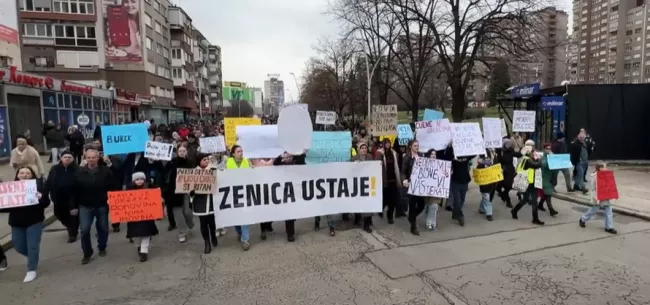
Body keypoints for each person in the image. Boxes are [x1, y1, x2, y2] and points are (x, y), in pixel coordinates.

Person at [0, 166, 49, 282]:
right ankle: (33, 257)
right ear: (17, 175)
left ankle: (31, 269)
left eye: (28, 173)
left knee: (32, 246)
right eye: (22, 173)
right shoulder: (10, 188)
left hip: (34, 221)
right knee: (18, 246)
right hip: (17, 222)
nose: (24, 175)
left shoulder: (38, 186)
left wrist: (41, 198)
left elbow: (46, 203)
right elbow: (3, 208)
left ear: (32, 175)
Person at [72, 149, 118, 265]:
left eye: (93, 157)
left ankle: (102, 247)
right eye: (89, 158)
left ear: (98, 158)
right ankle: (87, 253)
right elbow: (73, 191)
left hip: (102, 204)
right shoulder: (79, 172)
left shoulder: (106, 171)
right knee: (84, 230)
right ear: (85, 159)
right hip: (85, 206)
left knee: (103, 228)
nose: (91, 160)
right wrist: (73, 206)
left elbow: (113, 186)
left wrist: (112, 201)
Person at [269, 152, 307, 241]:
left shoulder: (297, 160)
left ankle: (290, 233)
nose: (288, 157)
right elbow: (275, 163)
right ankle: (268, 224)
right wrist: (282, 157)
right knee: (283, 211)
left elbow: (302, 159)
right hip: (283, 190)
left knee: (291, 212)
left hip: (295, 189)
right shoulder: (281, 161)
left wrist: (295, 154)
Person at [47, 151, 80, 243]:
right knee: (60, 215)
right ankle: (69, 226)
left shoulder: (77, 169)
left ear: (73, 159)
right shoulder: (55, 169)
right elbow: (49, 181)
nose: (67, 158)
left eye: (69, 157)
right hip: (58, 198)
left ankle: (72, 233)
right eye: (65, 157)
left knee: (73, 216)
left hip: (73, 198)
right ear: (61, 158)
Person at [126, 172, 159, 262]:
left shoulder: (150, 186)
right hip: (134, 218)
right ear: (133, 181)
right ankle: (139, 246)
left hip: (147, 217)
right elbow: (122, 201)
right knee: (136, 236)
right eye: (137, 179)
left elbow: (157, 196)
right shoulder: (129, 189)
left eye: (141, 179)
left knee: (146, 233)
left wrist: (160, 197)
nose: (140, 181)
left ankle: (144, 251)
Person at [190, 154, 219, 254]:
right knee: (203, 223)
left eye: (207, 159)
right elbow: (187, 187)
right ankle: (207, 243)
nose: (206, 161)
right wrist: (191, 192)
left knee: (212, 222)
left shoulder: (213, 170)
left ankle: (213, 236)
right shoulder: (193, 172)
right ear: (199, 161)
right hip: (200, 202)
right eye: (204, 159)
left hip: (211, 200)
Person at [166, 146, 196, 241]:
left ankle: (190, 223)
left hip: (187, 190)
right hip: (174, 192)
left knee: (187, 212)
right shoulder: (172, 162)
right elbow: (165, 173)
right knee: (178, 213)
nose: (182, 152)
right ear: (177, 152)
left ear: (186, 152)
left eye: (184, 150)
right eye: (180, 151)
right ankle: (182, 233)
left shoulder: (191, 162)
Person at [225, 145, 252, 250]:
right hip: (232, 193)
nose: (241, 153)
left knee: (244, 216)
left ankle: (245, 239)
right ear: (233, 154)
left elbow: (251, 174)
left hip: (244, 192)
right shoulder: (227, 162)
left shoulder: (246, 161)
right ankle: (239, 232)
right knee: (235, 216)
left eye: (242, 151)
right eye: (238, 151)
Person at [510, 146, 545, 225]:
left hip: (529, 183)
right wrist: (539, 159)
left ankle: (514, 211)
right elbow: (536, 165)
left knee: (527, 199)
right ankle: (534, 218)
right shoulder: (527, 160)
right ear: (529, 152)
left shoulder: (525, 158)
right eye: (533, 152)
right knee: (532, 201)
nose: (534, 153)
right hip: (528, 183)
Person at [579, 162, 617, 234]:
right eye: (604, 167)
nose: (606, 168)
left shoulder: (606, 175)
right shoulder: (594, 175)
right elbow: (594, 187)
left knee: (609, 211)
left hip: (606, 195)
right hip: (598, 196)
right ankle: (583, 219)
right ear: (600, 168)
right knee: (594, 210)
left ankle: (609, 227)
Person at [401, 140, 425, 235]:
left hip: (420, 185)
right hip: (411, 185)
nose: (417, 147)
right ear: (410, 146)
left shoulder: (421, 155)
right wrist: (404, 180)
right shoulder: (407, 158)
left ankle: (411, 217)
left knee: (421, 205)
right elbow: (403, 171)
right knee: (412, 205)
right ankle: (413, 227)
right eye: (415, 146)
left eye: (418, 146)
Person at [351, 142, 375, 233]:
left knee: (368, 205)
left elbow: (374, 167)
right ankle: (357, 217)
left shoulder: (370, 157)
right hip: (358, 185)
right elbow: (349, 171)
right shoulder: (354, 159)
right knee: (358, 204)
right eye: (362, 148)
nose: (364, 149)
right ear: (358, 150)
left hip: (369, 184)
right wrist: (354, 166)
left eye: (365, 148)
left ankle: (366, 225)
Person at [376, 138, 401, 224]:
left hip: (393, 180)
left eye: (388, 143)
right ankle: (380, 210)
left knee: (393, 200)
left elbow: (398, 163)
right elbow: (376, 163)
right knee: (384, 199)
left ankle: (390, 216)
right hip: (384, 180)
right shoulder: (380, 153)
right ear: (383, 144)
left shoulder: (393, 153)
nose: (387, 145)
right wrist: (381, 155)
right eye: (386, 143)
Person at [422, 149, 443, 231]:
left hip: (436, 190)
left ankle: (431, 223)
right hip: (427, 190)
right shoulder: (424, 164)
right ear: (428, 155)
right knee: (429, 206)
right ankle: (429, 221)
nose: (433, 156)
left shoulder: (440, 164)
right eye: (431, 154)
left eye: (434, 154)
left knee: (434, 206)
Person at [497, 139, 521, 208]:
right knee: (498, 187)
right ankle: (503, 196)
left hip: (510, 171)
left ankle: (508, 200)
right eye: (507, 144)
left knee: (509, 186)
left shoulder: (511, 151)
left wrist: (523, 151)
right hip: (503, 171)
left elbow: (518, 155)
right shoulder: (500, 152)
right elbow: (498, 162)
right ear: (504, 145)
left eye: (510, 144)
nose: (509, 146)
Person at [537, 143, 559, 216]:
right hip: (544, 178)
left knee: (546, 194)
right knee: (548, 194)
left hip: (550, 178)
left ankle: (540, 205)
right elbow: (545, 164)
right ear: (544, 149)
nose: (549, 150)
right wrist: (552, 157)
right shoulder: (543, 158)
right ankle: (551, 210)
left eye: (550, 148)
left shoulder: (551, 156)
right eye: (547, 148)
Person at [477, 149, 498, 221]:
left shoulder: (493, 159)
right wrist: (483, 164)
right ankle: (489, 214)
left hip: (491, 182)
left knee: (486, 197)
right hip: (484, 183)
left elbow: (497, 167)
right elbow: (478, 171)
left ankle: (481, 208)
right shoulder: (480, 163)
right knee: (486, 197)